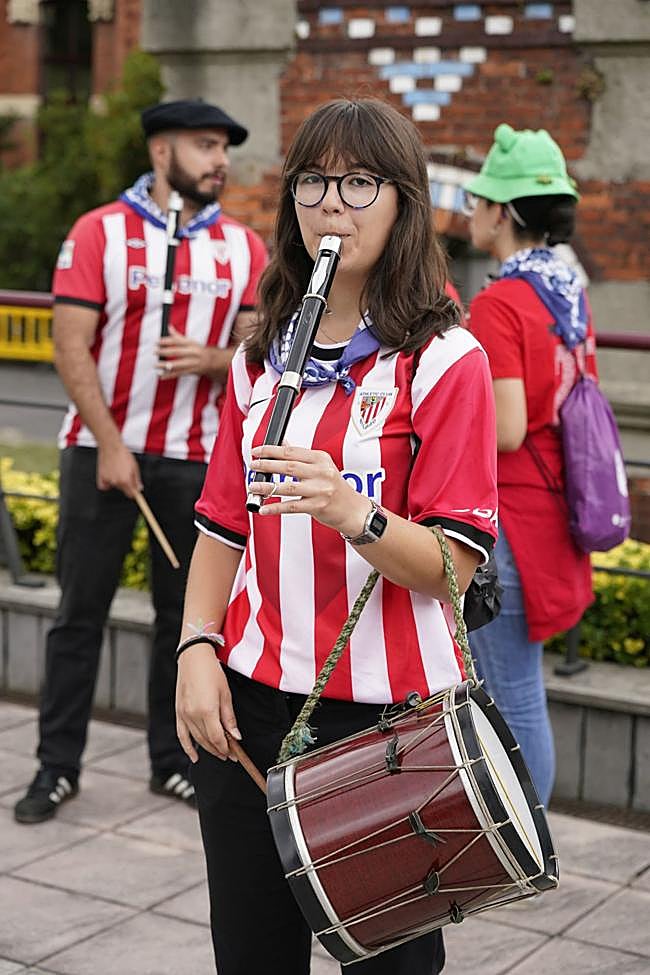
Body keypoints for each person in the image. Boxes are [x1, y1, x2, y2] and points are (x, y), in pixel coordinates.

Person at [175, 98, 498, 975]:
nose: (331, 204)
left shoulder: (444, 360)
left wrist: (353, 512)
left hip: (386, 723)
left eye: (360, 182)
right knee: (250, 955)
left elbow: (452, 567)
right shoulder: (259, 354)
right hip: (248, 706)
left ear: (403, 202)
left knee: (388, 963)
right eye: (313, 181)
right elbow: (220, 526)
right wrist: (195, 646)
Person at [14, 99, 268, 824]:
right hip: (101, 452)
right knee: (78, 614)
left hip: (195, 461)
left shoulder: (244, 247)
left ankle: (172, 762)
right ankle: (55, 767)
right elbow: (69, 345)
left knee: (182, 621)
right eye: (205, 145)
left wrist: (218, 359)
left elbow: (255, 353)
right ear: (162, 153)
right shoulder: (99, 232)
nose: (220, 160)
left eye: (223, 147)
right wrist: (112, 442)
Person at [463, 123, 598, 807]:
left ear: (504, 213)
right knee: (523, 685)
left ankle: (529, 839)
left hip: (511, 519)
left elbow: (508, 426)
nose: (471, 210)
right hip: (554, 512)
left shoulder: (499, 302)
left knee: (510, 691)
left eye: (480, 198)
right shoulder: (564, 290)